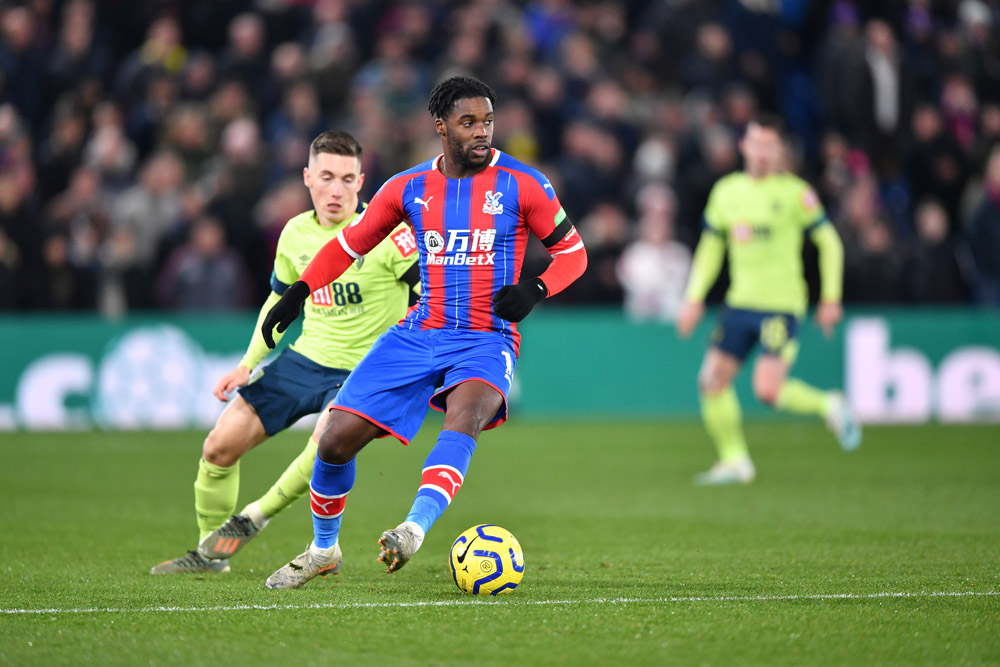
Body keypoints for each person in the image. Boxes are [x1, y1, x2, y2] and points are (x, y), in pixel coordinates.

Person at [259, 76, 587, 589]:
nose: (482, 132)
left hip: (487, 336)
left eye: (487, 121)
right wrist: (300, 290)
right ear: (441, 127)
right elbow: (348, 246)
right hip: (419, 332)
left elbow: (574, 253)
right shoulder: (407, 188)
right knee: (334, 441)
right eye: (468, 122)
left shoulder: (524, 183)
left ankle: (412, 529)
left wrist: (536, 289)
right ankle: (323, 550)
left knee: (466, 416)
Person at [151, 130, 419, 573]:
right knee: (218, 446)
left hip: (365, 369)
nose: (337, 190)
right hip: (305, 359)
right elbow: (278, 302)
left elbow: (429, 293)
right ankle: (210, 555)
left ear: (361, 182)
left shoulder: (387, 233)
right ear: (308, 177)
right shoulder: (295, 233)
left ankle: (255, 517)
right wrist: (247, 364)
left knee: (325, 442)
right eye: (327, 177)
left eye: (347, 179)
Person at [676, 114, 861, 486]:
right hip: (739, 303)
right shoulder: (726, 192)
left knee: (767, 391)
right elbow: (711, 248)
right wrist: (694, 297)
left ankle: (830, 405)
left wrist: (830, 297)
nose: (762, 153)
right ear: (743, 146)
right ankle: (734, 461)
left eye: (769, 146)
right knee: (711, 381)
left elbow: (829, 243)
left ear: (779, 151)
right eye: (756, 144)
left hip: (780, 306)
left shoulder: (795, 194)